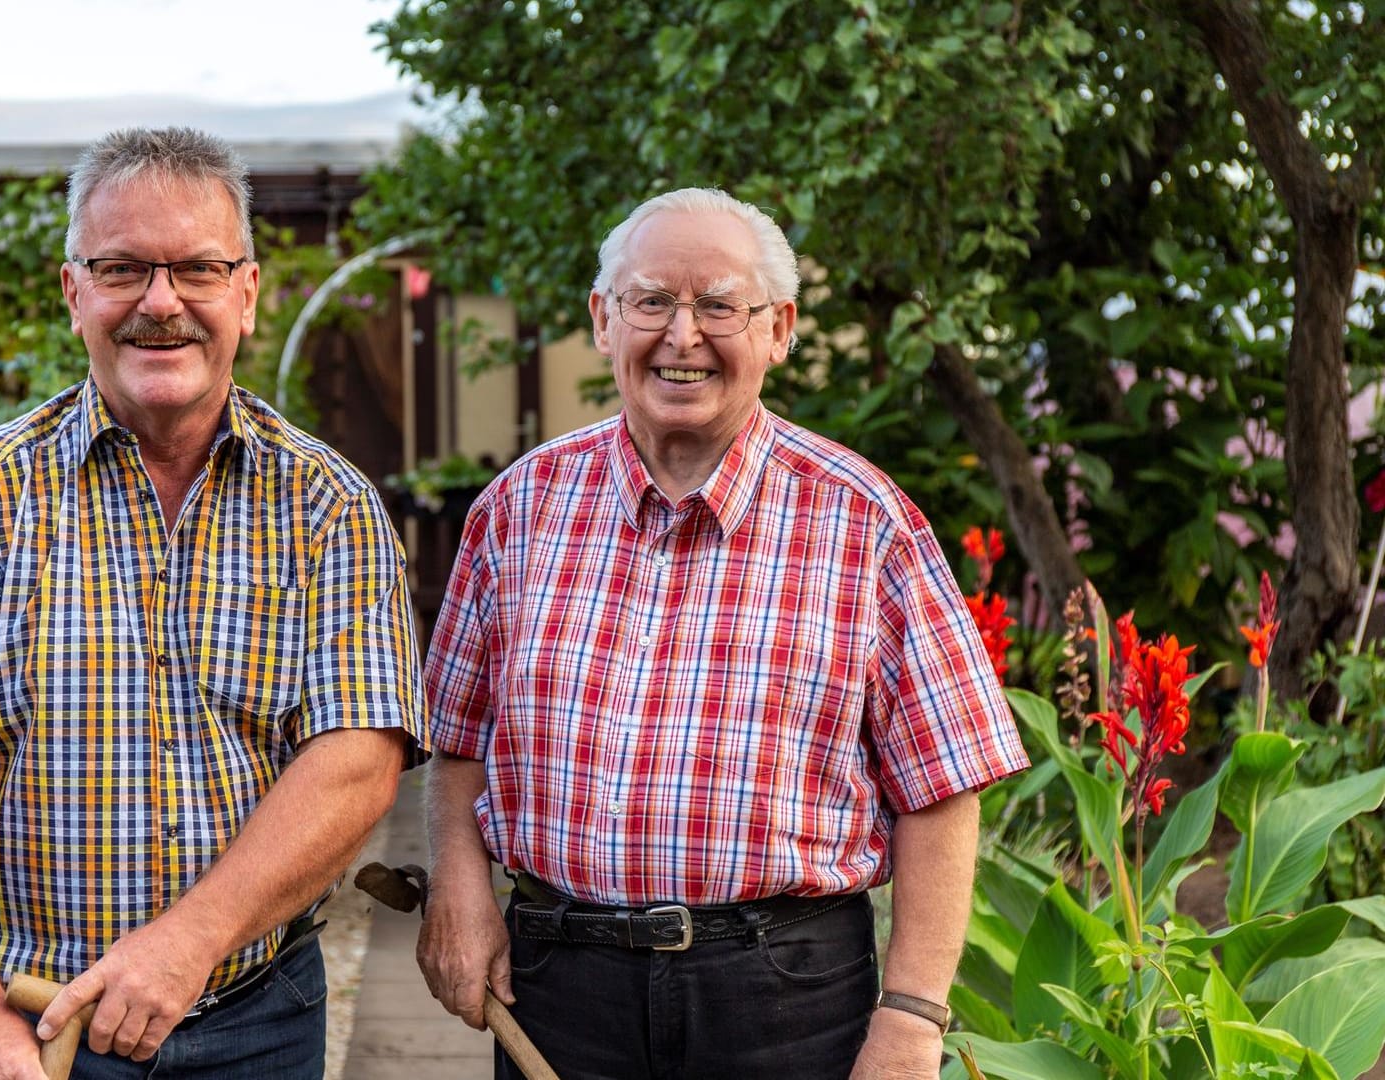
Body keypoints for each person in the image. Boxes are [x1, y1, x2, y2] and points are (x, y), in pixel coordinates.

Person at [0, 127, 426, 1080]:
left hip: (250, 1026)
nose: (161, 303)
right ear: (74, 294)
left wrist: (186, 944)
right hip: (18, 1024)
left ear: (248, 294)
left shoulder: (328, 507)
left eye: (197, 270)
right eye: (122, 268)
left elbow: (357, 758)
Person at [415, 187, 1028, 1079]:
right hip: (558, 986)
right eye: (652, 300)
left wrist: (910, 1019)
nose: (682, 334)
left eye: (718, 306)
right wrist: (460, 889)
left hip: (786, 997)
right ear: (603, 318)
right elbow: (459, 740)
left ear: (778, 328)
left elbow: (943, 788)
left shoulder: (866, 523)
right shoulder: (518, 508)